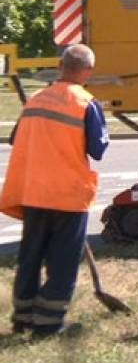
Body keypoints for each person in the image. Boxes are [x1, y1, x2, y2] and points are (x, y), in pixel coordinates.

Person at [1, 44, 109, 336]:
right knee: (62, 261)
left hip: (34, 191)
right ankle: (48, 323)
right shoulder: (86, 104)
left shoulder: (35, 99)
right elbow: (98, 149)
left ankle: (22, 317)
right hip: (68, 196)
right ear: (87, 71)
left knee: (31, 255)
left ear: (61, 67)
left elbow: (15, 138)